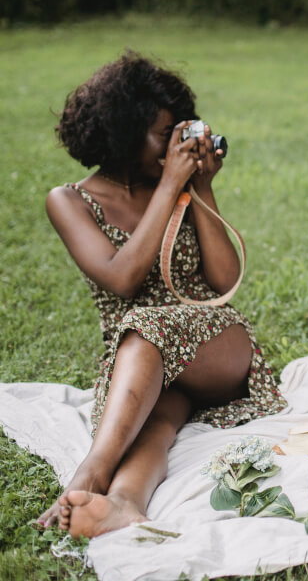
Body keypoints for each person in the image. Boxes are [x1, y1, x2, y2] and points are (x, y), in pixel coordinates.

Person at [37, 51, 286, 538]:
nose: (176, 146)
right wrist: (171, 182)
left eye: (182, 131)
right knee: (155, 425)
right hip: (142, 362)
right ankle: (125, 503)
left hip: (217, 343)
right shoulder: (68, 200)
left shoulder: (177, 186)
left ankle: (90, 471)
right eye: (164, 134)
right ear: (124, 131)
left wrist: (198, 188)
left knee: (148, 328)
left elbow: (223, 279)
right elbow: (121, 279)